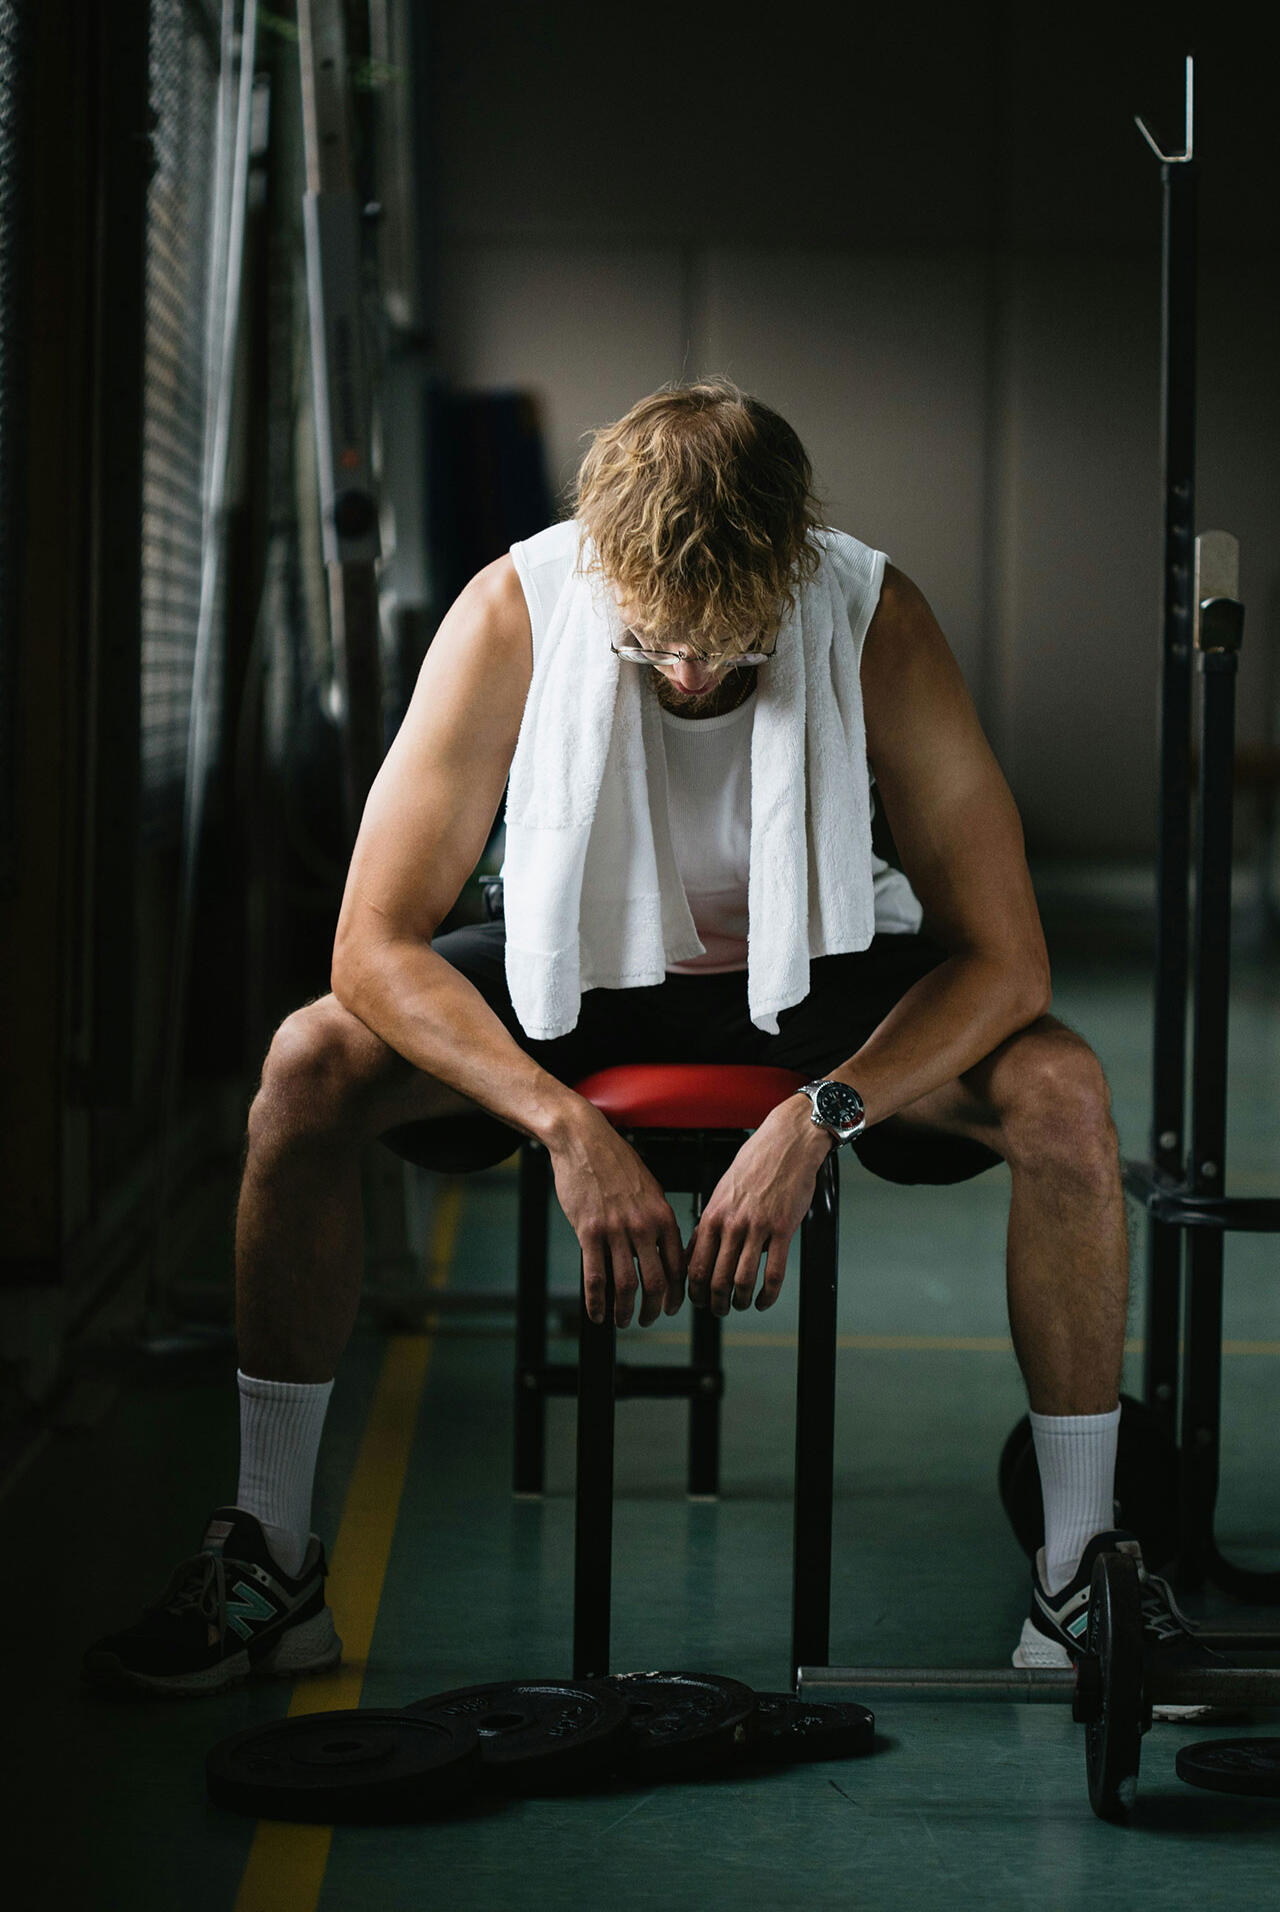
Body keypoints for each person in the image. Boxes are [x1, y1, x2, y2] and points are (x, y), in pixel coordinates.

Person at [85, 377, 1215, 1702]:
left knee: (1063, 1091)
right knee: (308, 1064)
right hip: (573, 961)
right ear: (605, 574)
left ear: (790, 574)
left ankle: (1078, 1572)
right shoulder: (513, 609)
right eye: (658, 645)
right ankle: (270, 1558)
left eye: (728, 649)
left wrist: (823, 1112)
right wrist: (563, 1124)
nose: (688, 676)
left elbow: (1006, 958)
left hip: (818, 965)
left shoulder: (872, 614)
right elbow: (372, 943)